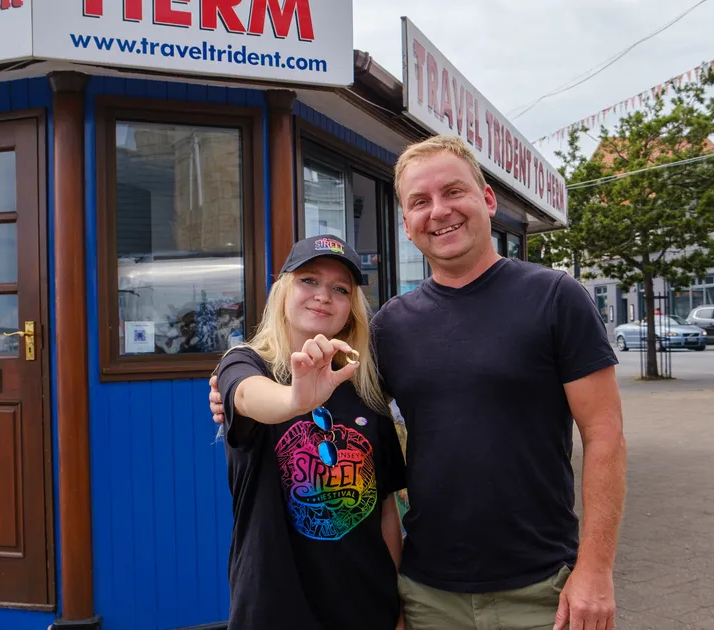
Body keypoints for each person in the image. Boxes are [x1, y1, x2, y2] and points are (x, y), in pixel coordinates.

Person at [212, 135, 627, 630]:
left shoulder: (555, 298)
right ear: (406, 225)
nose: (439, 211)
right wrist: (242, 395)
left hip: (540, 591)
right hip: (428, 592)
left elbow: (605, 437)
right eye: (419, 202)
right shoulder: (390, 329)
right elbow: (313, 409)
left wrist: (596, 570)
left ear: (487, 199)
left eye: (454, 192)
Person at [214, 235, 407, 630]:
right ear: (283, 291)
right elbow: (249, 397)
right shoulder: (246, 363)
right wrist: (297, 400)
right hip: (273, 610)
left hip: (366, 609)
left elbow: (385, 508)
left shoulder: (365, 388)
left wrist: (397, 607)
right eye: (309, 280)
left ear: (350, 311)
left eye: (340, 289)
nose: (323, 295)